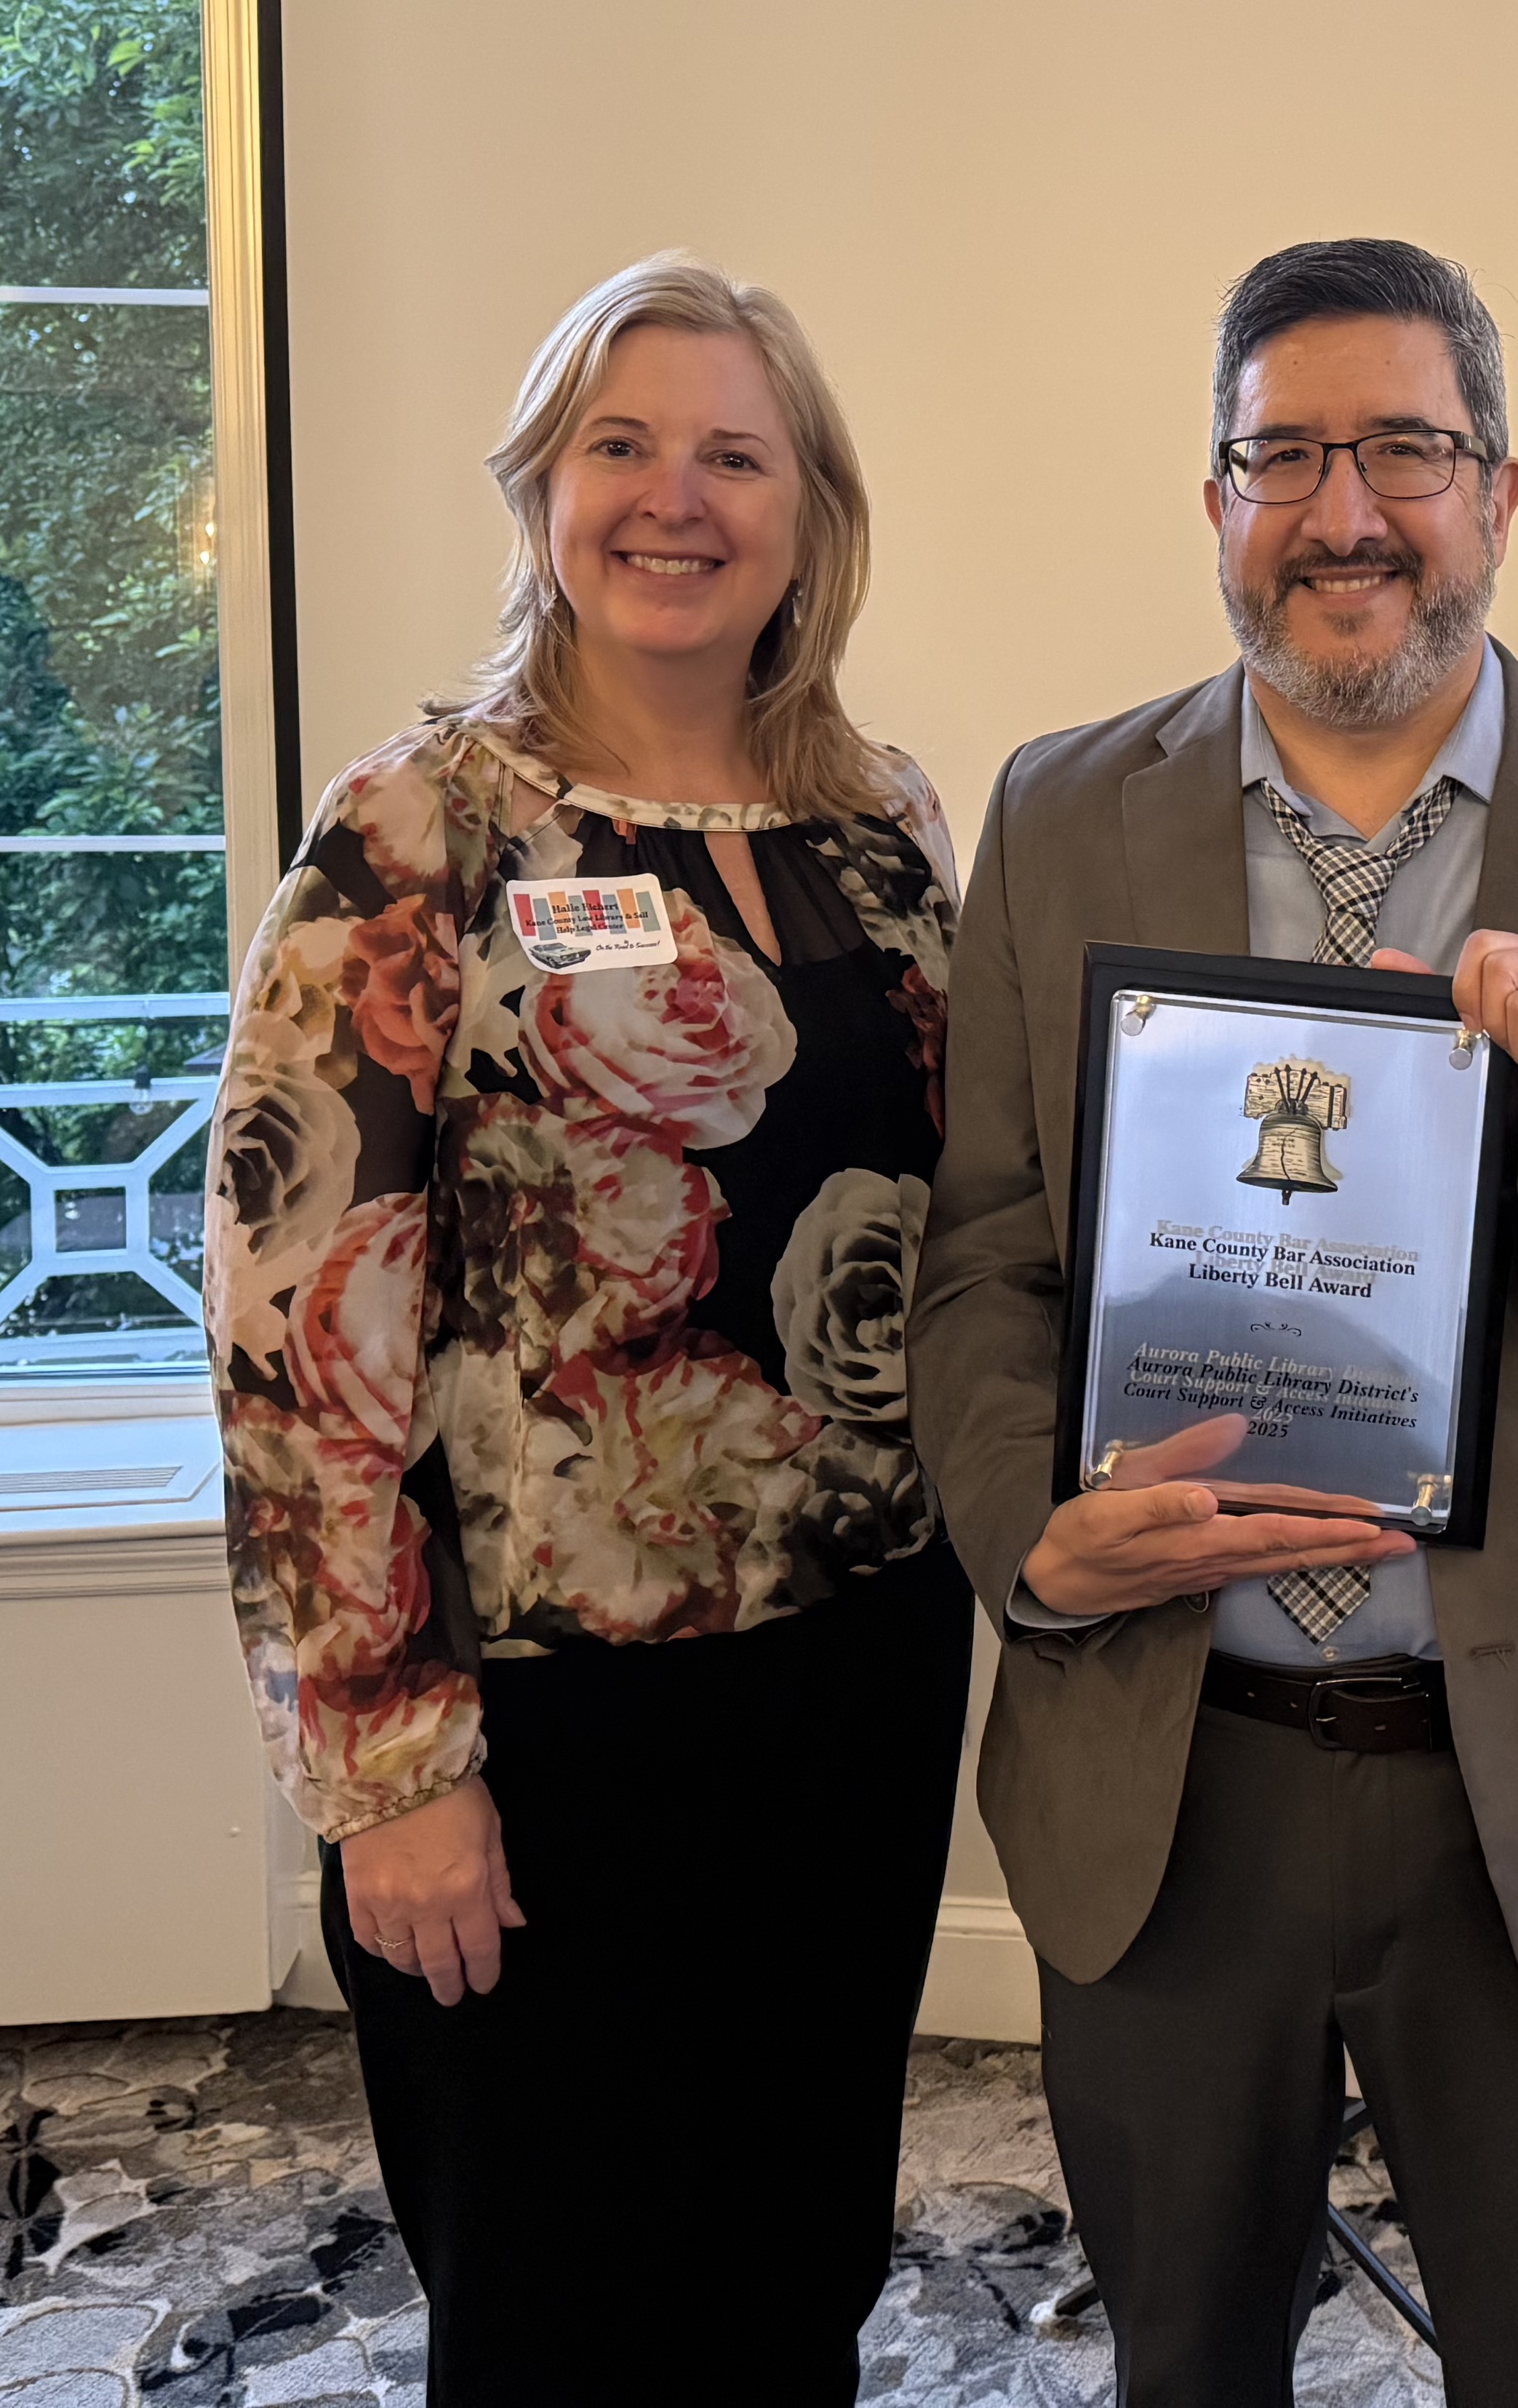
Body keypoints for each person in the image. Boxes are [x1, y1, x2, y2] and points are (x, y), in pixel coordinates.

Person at [910, 238, 1518, 2407]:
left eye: (1407, 450)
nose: (1346, 512)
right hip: (1173, 1769)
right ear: (1220, 498)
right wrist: (1032, 1541)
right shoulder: (1065, 813)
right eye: (1286, 457)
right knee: (1189, 2372)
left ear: (1503, 492)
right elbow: (984, 1257)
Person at [203, 252, 971, 2405]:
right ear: (542, 486)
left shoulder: (887, 830)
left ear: (809, 510)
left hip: (856, 1680)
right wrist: (382, 1769)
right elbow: (291, 1336)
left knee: (793, 2266)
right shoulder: (419, 831)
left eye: (736, 451)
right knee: (561, 2303)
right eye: (620, 444)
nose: (675, 496)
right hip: (541, 1731)